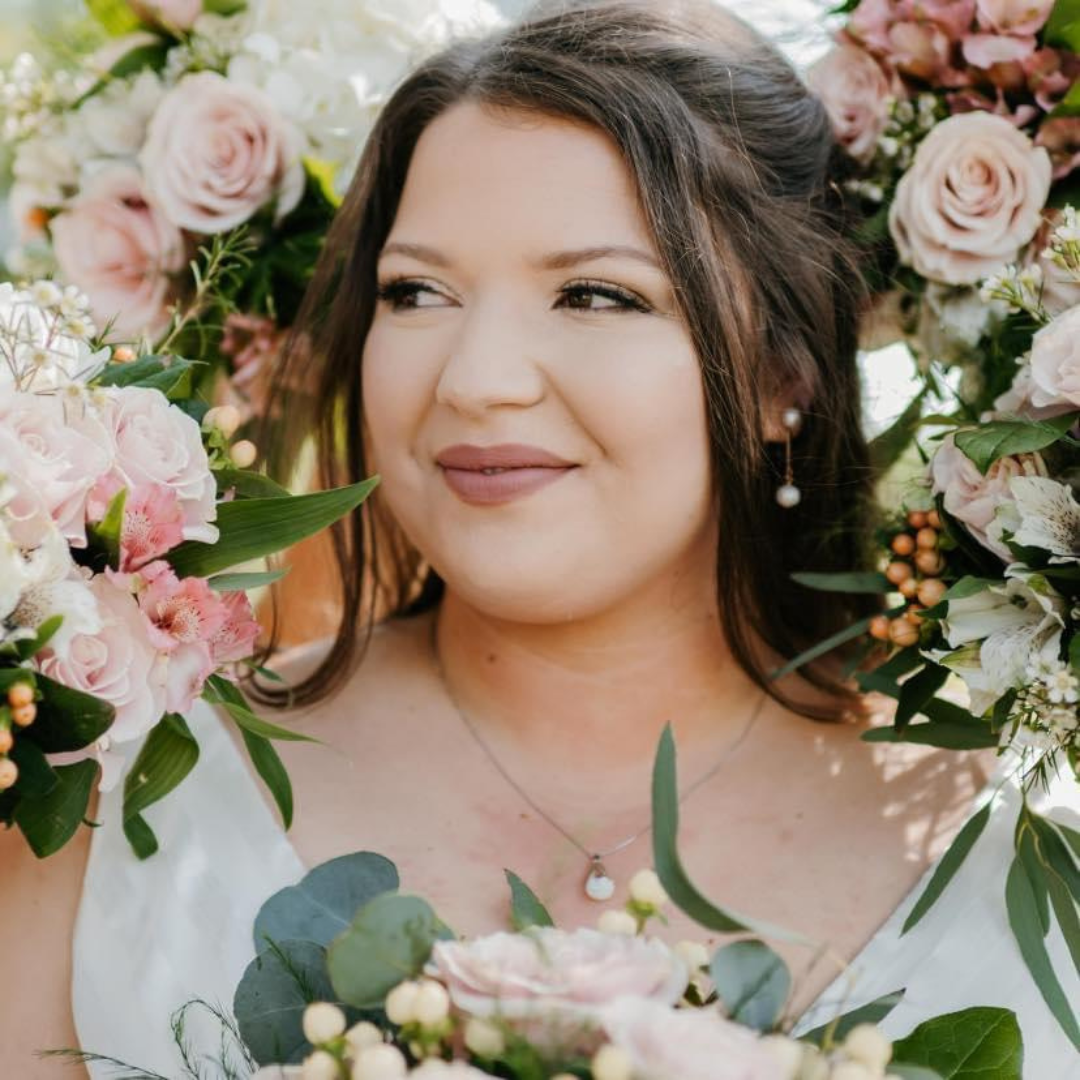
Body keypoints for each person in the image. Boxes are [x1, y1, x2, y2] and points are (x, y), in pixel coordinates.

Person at [3, 1, 1076, 1076]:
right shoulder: (102, 789)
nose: (475, 380)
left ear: (781, 376)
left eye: (595, 294)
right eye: (415, 291)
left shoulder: (1026, 828)